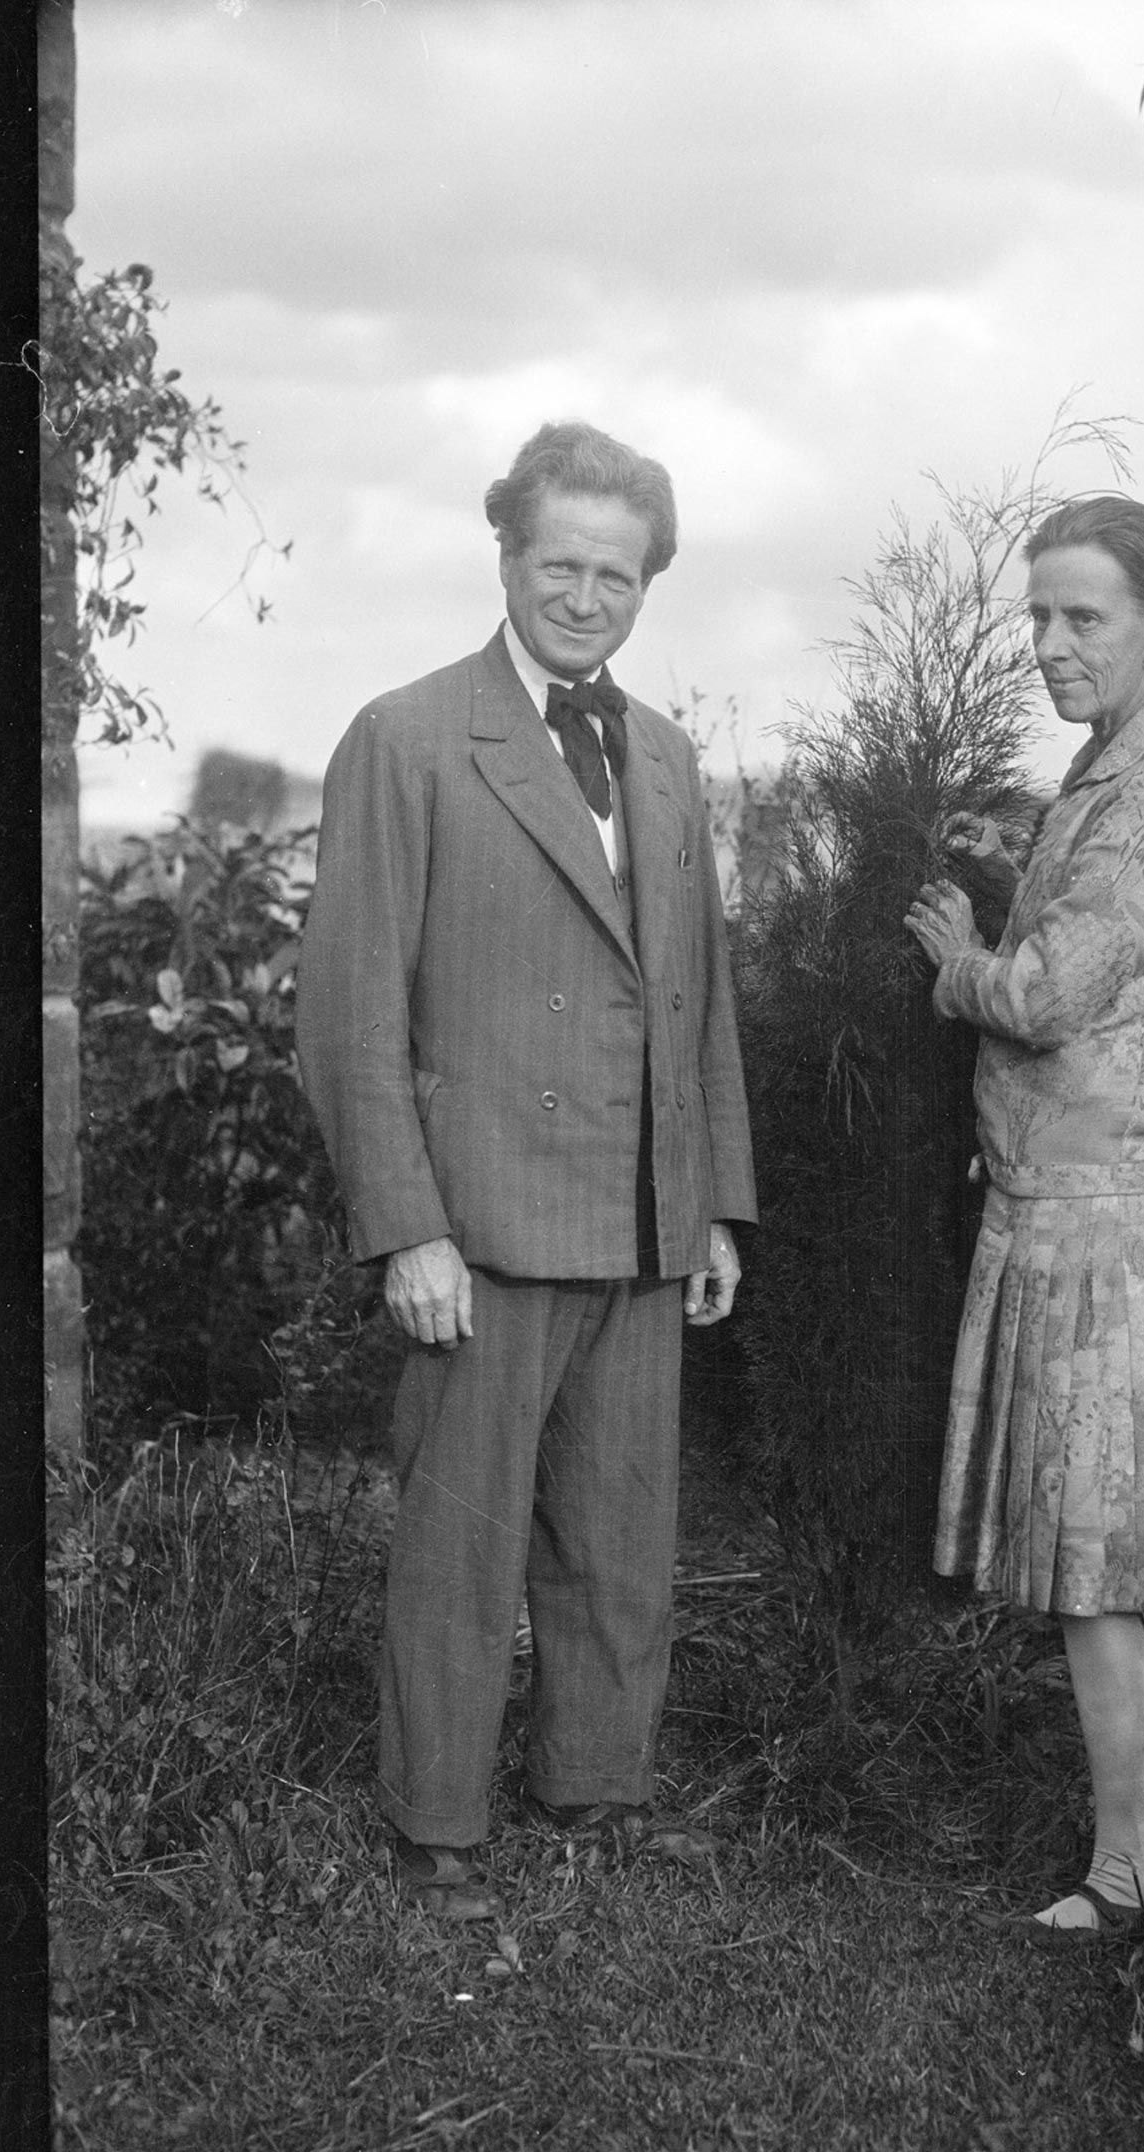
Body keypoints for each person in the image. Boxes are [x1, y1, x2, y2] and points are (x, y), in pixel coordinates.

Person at [296, 421, 757, 1920]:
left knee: (620, 1539)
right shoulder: (411, 736)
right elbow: (350, 1009)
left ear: (648, 586)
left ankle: (594, 1790)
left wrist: (710, 1208)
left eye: (616, 574)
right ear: (506, 555)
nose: (586, 595)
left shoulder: (673, 761)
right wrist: (405, 1226)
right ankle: (435, 1827)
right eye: (561, 563)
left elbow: (697, 999)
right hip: (481, 1224)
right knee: (461, 1547)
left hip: (635, 1220)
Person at [904, 495, 1144, 1941]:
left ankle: (1126, 1874)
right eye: (1038, 616)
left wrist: (960, 956)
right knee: (1095, 1559)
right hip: (1067, 1213)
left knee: (1103, 1562)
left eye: (1082, 617)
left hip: (1108, 1233)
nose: (1048, 645)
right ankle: (1129, 1851)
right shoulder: (1113, 771)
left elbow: (1049, 994)